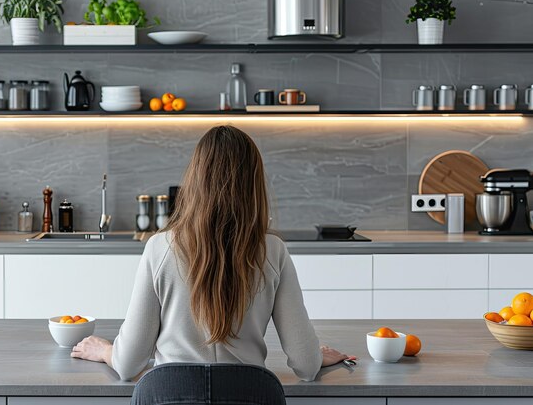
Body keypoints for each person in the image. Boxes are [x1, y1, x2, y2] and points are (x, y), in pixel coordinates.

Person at [71, 125, 354, 381]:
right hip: (250, 399)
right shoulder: (272, 251)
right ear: (254, 185)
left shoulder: (159, 248)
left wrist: (105, 350)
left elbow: (128, 363)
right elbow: (305, 365)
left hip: (171, 398)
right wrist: (315, 356)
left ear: (195, 180)